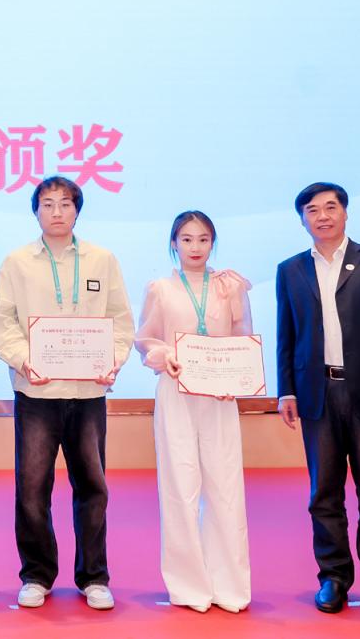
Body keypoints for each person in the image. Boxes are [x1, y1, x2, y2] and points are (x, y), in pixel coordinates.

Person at [0, 175, 133, 611]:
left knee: (92, 487)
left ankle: (94, 577)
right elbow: (3, 321)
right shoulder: (17, 262)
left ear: (77, 210)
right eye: (48, 204)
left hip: (88, 392)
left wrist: (113, 359)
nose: (56, 211)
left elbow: (119, 320)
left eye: (65, 204)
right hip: (36, 391)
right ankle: (37, 575)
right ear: (36, 211)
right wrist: (23, 359)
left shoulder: (101, 259)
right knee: (33, 488)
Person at [276, 182, 360, 623]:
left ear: (345, 213)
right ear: (302, 219)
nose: (322, 216)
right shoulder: (290, 270)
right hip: (316, 393)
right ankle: (333, 576)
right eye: (312, 210)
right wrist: (286, 389)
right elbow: (287, 335)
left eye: (330, 207)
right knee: (323, 493)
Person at [133, 211, 252, 614]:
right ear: (174, 244)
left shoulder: (230, 286)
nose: (195, 247)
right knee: (179, 488)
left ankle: (229, 586)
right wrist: (164, 356)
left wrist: (236, 378)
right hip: (176, 392)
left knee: (225, 488)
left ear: (212, 243)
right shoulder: (160, 289)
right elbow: (145, 339)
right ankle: (188, 587)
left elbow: (243, 339)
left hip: (220, 397)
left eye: (203, 239)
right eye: (186, 239)